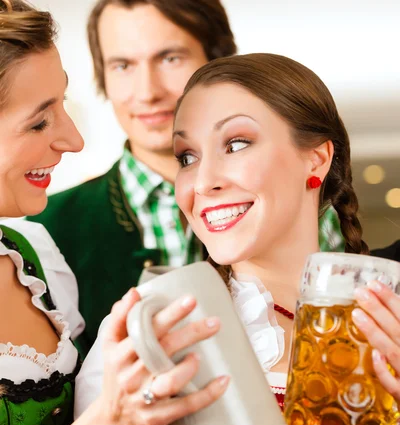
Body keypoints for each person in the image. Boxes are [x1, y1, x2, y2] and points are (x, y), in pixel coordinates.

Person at [12, 53, 400, 425]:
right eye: (187, 156)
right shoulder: (154, 325)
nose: (204, 180)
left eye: (236, 144)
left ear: (316, 158)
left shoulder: (388, 316)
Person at [0, 0, 228, 425]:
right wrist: (117, 417)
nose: (73, 141)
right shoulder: (63, 227)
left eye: (169, 57)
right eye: (39, 119)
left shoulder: (37, 259)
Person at [28, 0, 344, 357]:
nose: (148, 92)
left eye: (170, 58)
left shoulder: (316, 212)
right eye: (122, 65)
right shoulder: (44, 232)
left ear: (217, 60)